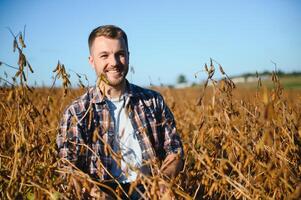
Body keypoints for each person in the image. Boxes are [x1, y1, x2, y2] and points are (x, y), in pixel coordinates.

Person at [56, 25, 184, 199]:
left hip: (149, 189)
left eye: (120, 54)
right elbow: (67, 167)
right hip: (101, 192)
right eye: (104, 56)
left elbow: (174, 150)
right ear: (92, 61)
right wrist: (98, 195)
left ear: (128, 57)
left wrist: (161, 184)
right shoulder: (78, 112)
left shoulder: (152, 101)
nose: (114, 62)